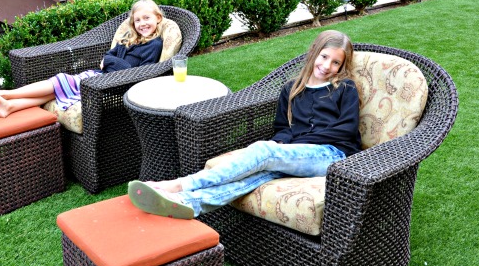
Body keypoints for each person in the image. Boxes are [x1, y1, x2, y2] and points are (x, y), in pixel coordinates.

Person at [128, 29, 362, 219]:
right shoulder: (291, 89)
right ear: (314, 53)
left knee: (263, 150)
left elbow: (346, 129)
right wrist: (282, 147)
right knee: (259, 173)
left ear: (341, 67)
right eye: (324, 57)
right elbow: (283, 129)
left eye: (335, 63)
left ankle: (179, 185)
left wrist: (281, 149)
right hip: (298, 155)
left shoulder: (344, 88)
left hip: (334, 155)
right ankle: (188, 203)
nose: (327, 65)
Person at [0, 0, 165, 118]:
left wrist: (109, 62)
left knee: (61, 79)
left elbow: (138, 74)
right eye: (137, 20)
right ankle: (8, 107)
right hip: (99, 77)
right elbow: (110, 54)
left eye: (146, 18)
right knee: (53, 92)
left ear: (158, 18)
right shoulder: (129, 39)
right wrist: (109, 60)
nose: (142, 24)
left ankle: (5, 93)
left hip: (109, 85)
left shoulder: (154, 45)